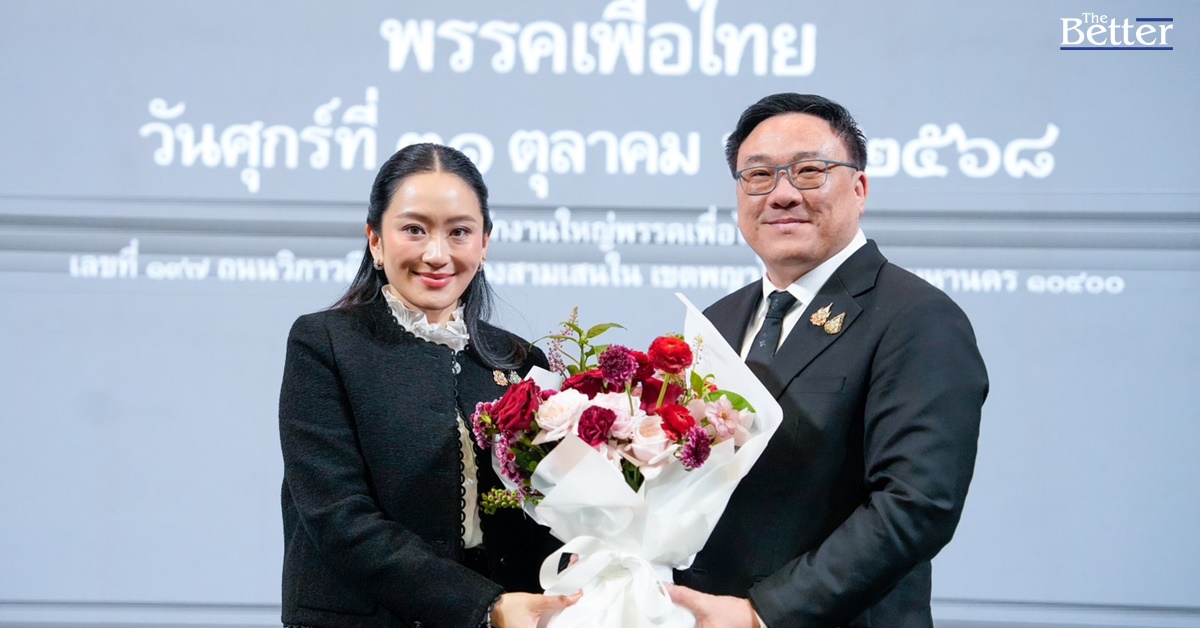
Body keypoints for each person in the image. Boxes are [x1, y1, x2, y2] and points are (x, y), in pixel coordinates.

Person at [669, 94, 989, 627]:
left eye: (809, 171)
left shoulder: (918, 317)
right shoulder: (718, 320)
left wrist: (762, 614)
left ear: (859, 188)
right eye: (759, 176)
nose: (782, 194)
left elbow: (914, 505)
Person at [277, 143, 575, 627]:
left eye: (459, 232)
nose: (437, 255)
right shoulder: (323, 343)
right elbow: (337, 515)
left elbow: (544, 512)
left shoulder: (522, 361)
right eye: (414, 229)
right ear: (375, 240)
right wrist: (485, 606)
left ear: (484, 243)